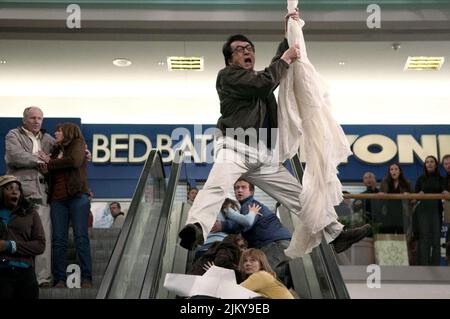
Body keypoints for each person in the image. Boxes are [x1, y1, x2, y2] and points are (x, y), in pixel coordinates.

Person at [178, 11, 370, 259]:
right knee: (216, 186)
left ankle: (335, 234)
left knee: (299, 194)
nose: (247, 51)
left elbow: (270, 72)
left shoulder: (259, 77)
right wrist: (285, 60)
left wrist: (289, 30)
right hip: (234, 147)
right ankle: (196, 228)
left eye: (249, 48)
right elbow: (265, 81)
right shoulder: (227, 77)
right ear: (229, 60)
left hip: (261, 154)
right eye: (239, 49)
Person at [38, 123, 93, 288]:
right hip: (57, 199)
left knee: (81, 237)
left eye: (59, 130)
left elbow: (75, 162)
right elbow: (53, 171)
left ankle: (86, 279)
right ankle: (60, 279)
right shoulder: (55, 150)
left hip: (77, 197)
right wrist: (47, 169)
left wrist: (50, 161)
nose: (56, 133)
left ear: (68, 132)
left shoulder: (78, 144)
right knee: (58, 240)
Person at [4, 106, 54, 287]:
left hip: (43, 195)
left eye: (39, 118)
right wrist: (41, 159)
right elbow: (14, 156)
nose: (36, 121)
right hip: (20, 195)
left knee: (43, 239)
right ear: (24, 119)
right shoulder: (13, 135)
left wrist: (83, 153)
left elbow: (61, 155)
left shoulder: (48, 139)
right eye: (32, 118)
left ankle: (43, 279)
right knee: (17, 236)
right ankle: (14, 274)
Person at [220, 179, 292, 286]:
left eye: (243, 187)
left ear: (252, 192)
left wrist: (223, 224)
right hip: (278, 245)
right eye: (236, 188)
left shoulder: (251, 205)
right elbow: (241, 224)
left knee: (259, 274)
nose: (239, 190)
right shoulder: (244, 208)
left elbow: (246, 223)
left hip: (276, 244)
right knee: (273, 277)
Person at [0, 175, 45, 299]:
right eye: (9, 188)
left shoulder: (31, 213)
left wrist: (10, 246)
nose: (15, 191)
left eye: (17, 189)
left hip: (26, 274)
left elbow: (40, 245)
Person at [194, 198, 258, 260]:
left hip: (201, 250)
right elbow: (248, 221)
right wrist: (253, 212)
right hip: (219, 248)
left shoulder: (202, 211)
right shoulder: (225, 208)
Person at [414, 155, 445, 266]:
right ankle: (424, 265)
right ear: (425, 165)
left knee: (436, 238)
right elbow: (414, 197)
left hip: (436, 210)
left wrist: (445, 193)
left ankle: (435, 265)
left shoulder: (442, 179)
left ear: (436, 164)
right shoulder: (420, 179)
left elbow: (445, 193)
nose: (429, 164)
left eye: (432, 162)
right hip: (423, 210)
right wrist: (418, 194)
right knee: (424, 238)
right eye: (427, 162)